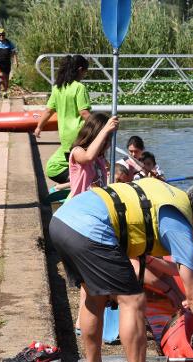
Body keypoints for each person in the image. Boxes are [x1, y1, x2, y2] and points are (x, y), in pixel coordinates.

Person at [49, 178, 193, 362]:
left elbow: (142, 259)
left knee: (93, 296)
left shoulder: (168, 194)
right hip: (90, 228)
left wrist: (172, 292)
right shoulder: (179, 226)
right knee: (134, 301)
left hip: (62, 220)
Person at [66, 113, 118, 335]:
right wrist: (106, 129)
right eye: (104, 140)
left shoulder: (99, 161)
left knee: (91, 278)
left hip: (94, 219)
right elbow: (86, 157)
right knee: (88, 278)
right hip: (78, 219)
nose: (106, 145)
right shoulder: (79, 152)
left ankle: (83, 321)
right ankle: (81, 322)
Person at [34, 55, 91, 191]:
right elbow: (84, 113)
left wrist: (39, 127)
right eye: (85, 72)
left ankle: (70, 187)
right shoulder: (79, 87)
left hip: (66, 136)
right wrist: (101, 127)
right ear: (80, 69)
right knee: (86, 167)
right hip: (80, 135)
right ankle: (76, 189)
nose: (84, 75)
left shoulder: (57, 88)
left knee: (74, 166)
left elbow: (48, 111)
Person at [0, 28, 18, 98]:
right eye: (0, 35)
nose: (1, 36)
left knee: (6, 79)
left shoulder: (9, 42)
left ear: (5, 35)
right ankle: (0, 87)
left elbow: (14, 52)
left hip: (7, 62)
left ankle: (4, 92)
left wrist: (16, 61)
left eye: (3, 35)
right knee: (1, 75)